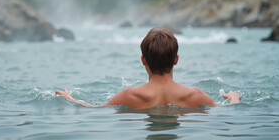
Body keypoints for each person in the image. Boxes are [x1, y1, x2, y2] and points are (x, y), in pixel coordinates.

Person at [55, 28, 241, 108]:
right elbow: (227, 111)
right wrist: (233, 98)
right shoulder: (196, 96)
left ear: (143, 60)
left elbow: (92, 109)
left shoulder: (129, 96)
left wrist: (69, 97)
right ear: (176, 59)